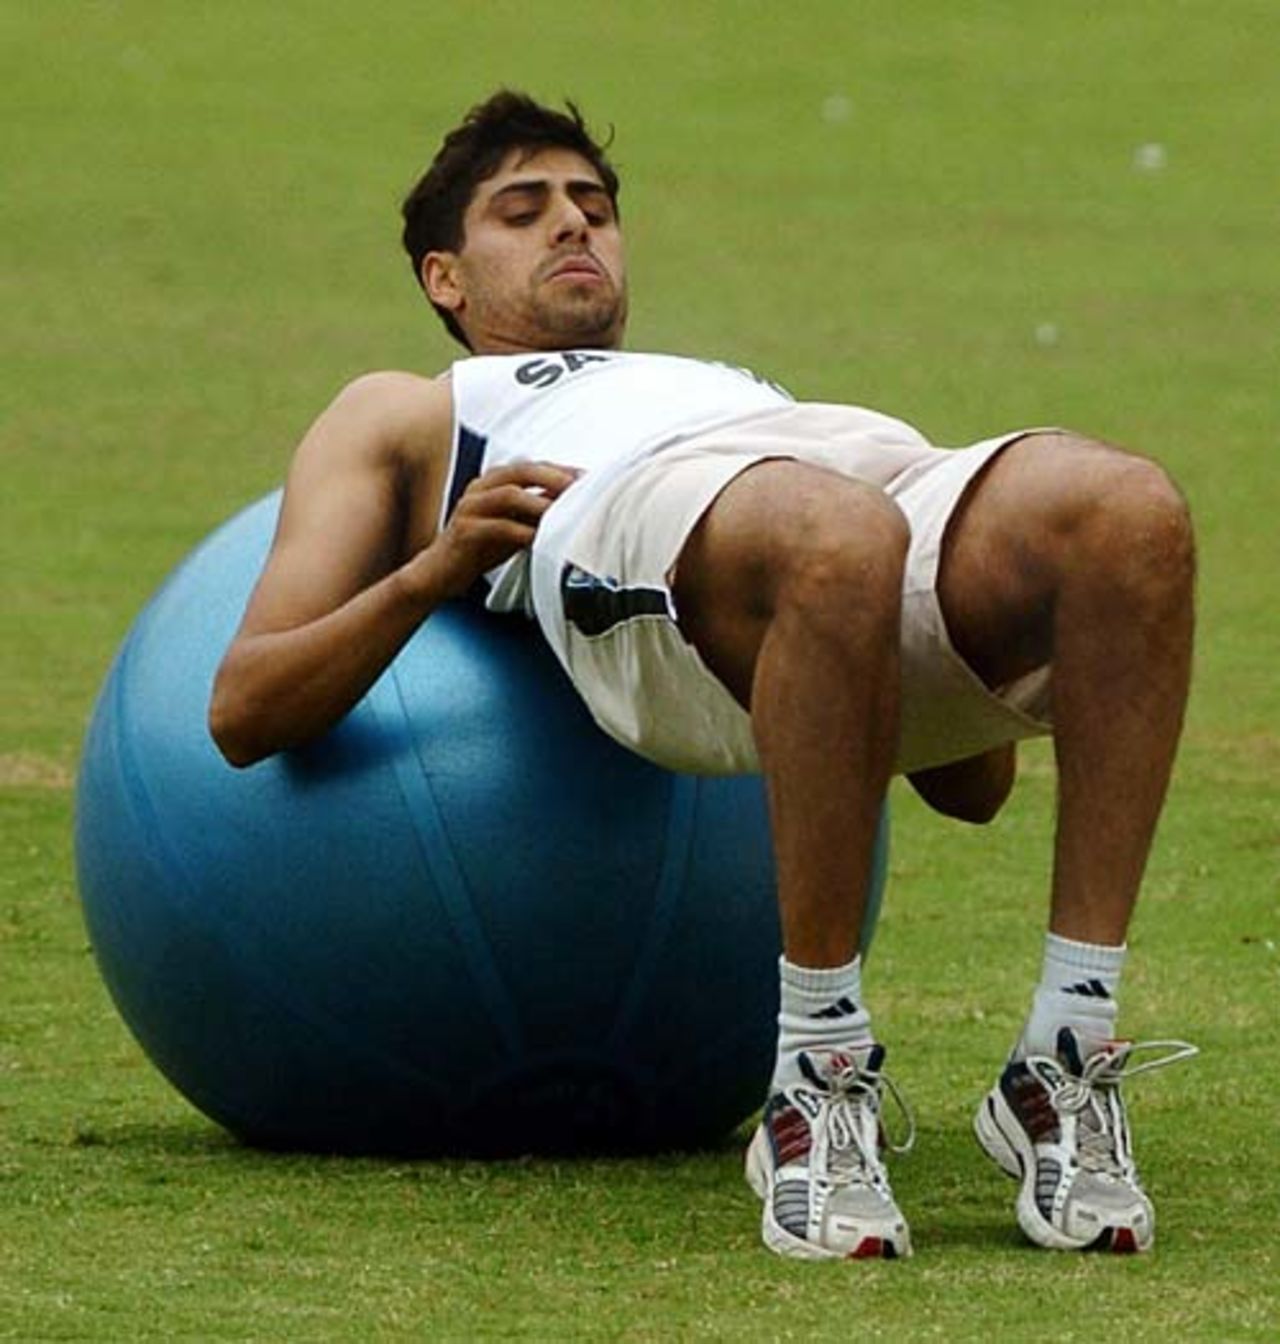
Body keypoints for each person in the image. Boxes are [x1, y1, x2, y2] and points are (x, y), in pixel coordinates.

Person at [209, 90, 1198, 1261]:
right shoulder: (411, 408)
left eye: (593, 207)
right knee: (836, 533)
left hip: (845, 471)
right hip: (626, 522)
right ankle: (815, 1082)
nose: (572, 227)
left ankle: (1064, 1059)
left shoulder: (736, 380)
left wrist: (950, 662)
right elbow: (244, 706)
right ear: (444, 281)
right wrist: (435, 571)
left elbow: (969, 785)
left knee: (1130, 515)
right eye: (522, 213)